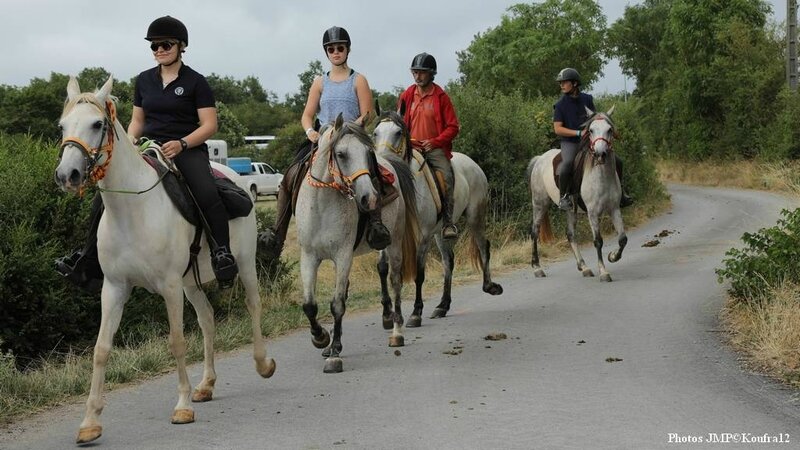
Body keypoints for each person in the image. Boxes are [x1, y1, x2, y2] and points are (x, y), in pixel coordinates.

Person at [56, 15, 239, 290]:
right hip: (149, 147)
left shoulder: (196, 82)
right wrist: (130, 140)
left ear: (180, 46)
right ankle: (88, 260)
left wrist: (183, 143)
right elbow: (138, 121)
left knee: (206, 191)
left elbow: (210, 125)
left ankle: (221, 253)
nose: (159, 50)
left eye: (165, 44)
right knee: (105, 194)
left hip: (186, 148)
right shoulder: (143, 81)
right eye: (154, 46)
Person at [260, 26, 388, 261]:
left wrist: (349, 128)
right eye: (331, 49)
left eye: (340, 48)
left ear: (347, 50)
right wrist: (310, 131)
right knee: (290, 175)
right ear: (326, 52)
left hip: (351, 139)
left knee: (373, 173)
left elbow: (368, 113)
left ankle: (376, 224)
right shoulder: (320, 81)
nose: (336, 52)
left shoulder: (358, 80)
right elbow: (307, 114)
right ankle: (278, 233)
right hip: (323, 139)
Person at [397, 52, 460, 239]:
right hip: (410, 148)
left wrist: (435, 142)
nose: (417, 76)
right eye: (415, 72)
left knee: (447, 176)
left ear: (431, 74)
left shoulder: (441, 97)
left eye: (422, 72)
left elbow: (453, 127)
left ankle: (448, 222)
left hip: (434, 149)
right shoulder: (407, 95)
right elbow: (399, 122)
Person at [552, 67, 633, 210]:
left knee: (618, 161)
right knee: (567, 164)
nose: (561, 85)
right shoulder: (560, 105)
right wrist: (578, 133)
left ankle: (621, 194)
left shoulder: (587, 99)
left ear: (575, 84)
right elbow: (557, 129)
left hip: (589, 139)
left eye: (564, 82)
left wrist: (609, 127)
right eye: (561, 83)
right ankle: (563, 197)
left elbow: (595, 118)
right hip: (570, 142)